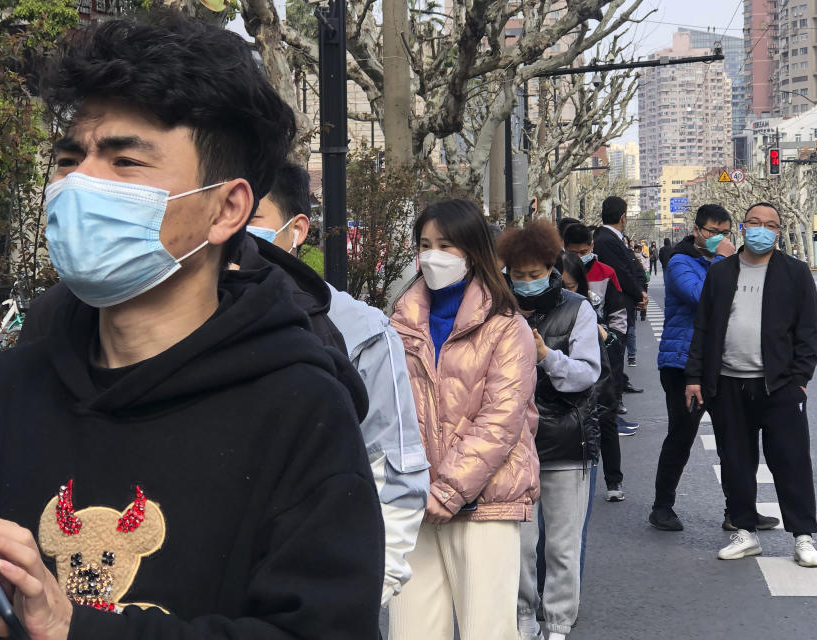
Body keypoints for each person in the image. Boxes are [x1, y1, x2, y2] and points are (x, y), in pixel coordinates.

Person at [0, 13, 387, 639]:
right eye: (70, 157)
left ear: (227, 208)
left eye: (125, 162)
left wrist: (75, 629)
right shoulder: (6, 393)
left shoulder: (301, 410)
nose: (80, 184)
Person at [241, 162, 430, 606]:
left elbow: (395, 472)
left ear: (297, 229)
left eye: (252, 217)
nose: (235, 229)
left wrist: (357, 599)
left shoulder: (359, 330)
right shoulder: (179, 321)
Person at [388, 199, 540, 640]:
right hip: (414, 503)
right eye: (425, 244)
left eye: (446, 245)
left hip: (484, 504)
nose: (433, 256)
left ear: (472, 252)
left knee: (486, 632)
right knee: (410, 632)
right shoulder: (399, 322)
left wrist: (450, 489)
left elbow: (500, 420)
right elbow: (389, 409)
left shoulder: (506, 326)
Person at [685, 202, 817, 567]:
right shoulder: (722, 272)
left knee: (791, 461)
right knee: (736, 461)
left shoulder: (794, 272)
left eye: (770, 225)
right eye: (754, 223)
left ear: (779, 232)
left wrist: (800, 380)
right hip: (728, 383)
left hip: (779, 386)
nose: (762, 230)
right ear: (743, 227)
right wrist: (695, 377)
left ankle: (803, 536)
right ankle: (744, 532)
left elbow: (808, 331)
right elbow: (704, 327)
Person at [496, 223, 600, 640]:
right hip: (511, 443)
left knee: (561, 543)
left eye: (533, 272)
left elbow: (587, 375)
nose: (525, 281)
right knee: (520, 545)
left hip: (564, 439)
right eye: (517, 274)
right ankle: (523, 618)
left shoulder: (578, 308)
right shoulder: (496, 308)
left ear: (551, 267)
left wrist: (545, 356)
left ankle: (557, 622)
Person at [649, 205, 779, 533]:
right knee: (682, 435)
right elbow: (703, 296)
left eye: (724, 233)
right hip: (683, 364)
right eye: (712, 232)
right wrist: (723, 260)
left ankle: (738, 512)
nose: (719, 238)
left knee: (734, 440)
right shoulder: (679, 261)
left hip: (724, 364)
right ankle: (662, 507)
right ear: (697, 231)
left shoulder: (731, 264)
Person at [564, 223, 632, 500]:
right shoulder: (557, 272)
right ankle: (575, 478)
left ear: (592, 246)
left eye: (585, 251)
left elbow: (619, 315)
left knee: (607, 419)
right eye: (574, 252)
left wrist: (612, 341)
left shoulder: (605, 273)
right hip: (568, 361)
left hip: (604, 360)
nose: (581, 256)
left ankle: (613, 481)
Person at [593, 197, 646, 371]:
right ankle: (615, 393)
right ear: (623, 217)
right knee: (615, 352)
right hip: (616, 306)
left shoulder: (609, 237)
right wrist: (639, 295)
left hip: (619, 304)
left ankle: (620, 383)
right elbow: (621, 272)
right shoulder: (607, 239)